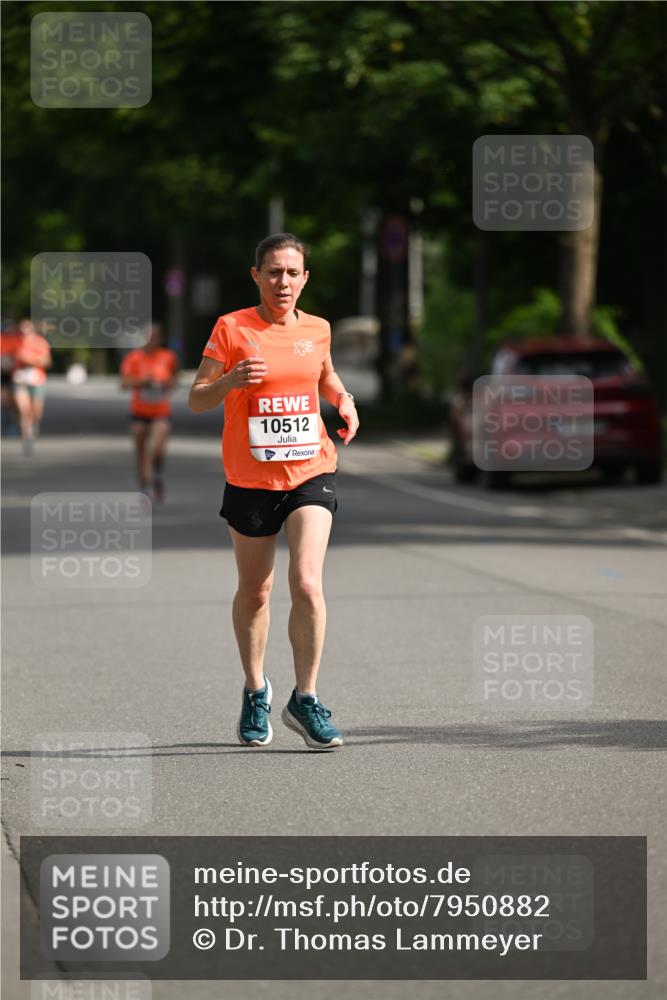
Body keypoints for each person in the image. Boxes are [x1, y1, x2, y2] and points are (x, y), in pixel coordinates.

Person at [188, 233, 359, 751]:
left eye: (292, 273)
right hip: (251, 478)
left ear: (305, 278)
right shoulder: (232, 328)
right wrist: (231, 380)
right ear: (256, 276)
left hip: (311, 469)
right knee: (256, 591)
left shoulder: (318, 328)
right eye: (273, 272)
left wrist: (344, 399)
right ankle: (255, 688)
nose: (283, 282)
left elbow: (325, 374)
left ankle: (306, 697)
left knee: (307, 582)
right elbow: (197, 399)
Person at [120, 322, 179, 501]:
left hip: (160, 412)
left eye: (155, 337)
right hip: (139, 412)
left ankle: (157, 475)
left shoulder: (168, 357)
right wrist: (143, 381)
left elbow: (175, 378)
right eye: (148, 337)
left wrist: (167, 384)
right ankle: (144, 485)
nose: (151, 341)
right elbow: (123, 383)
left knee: (157, 449)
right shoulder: (134, 358)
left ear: (161, 339)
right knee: (141, 451)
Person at [11, 319, 52, 454]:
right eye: (22, 329)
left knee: (36, 412)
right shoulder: (15, 342)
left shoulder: (40, 342)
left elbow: (47, 361)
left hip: (37, 380)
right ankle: (26, 439)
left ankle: (34, 424)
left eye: (27, 329)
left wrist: (30, 360)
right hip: (20, 380)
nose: (24, 332)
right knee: (24, 411)